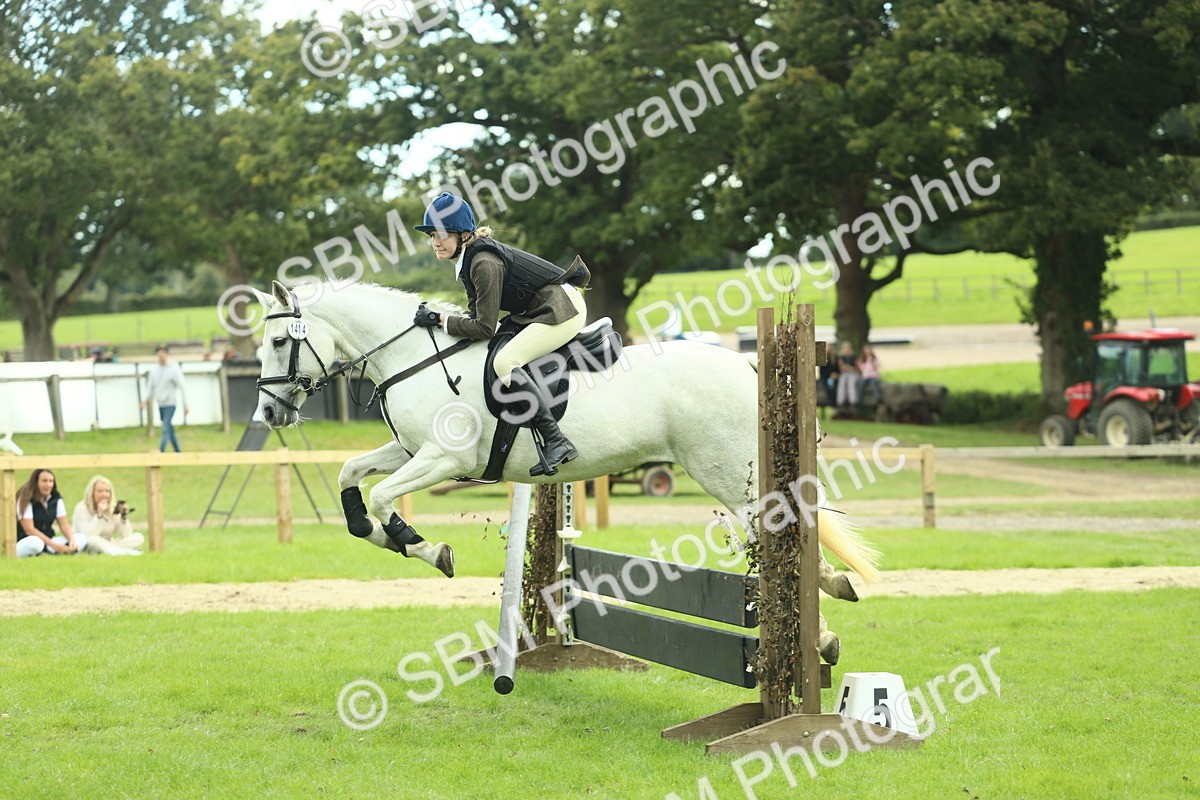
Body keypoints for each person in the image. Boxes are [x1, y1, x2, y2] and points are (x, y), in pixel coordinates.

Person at [412, 192, 591, 477]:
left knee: (505, 362)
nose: (435, 242)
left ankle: (556, 439)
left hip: (561, 310)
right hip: (539, 309)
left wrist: (439, 319)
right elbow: (477, 318)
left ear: (463, 235)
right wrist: (443, 321)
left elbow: (484, 327)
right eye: (432, 235)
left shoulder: (483, 263)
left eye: (442, 235)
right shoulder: (470, 261)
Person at [15, 468, 88, 558]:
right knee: (36, 543)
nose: (48, 484)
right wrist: (55, 546)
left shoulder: (55, 499)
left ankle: (52, 553)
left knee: (81, 538)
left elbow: (64, 525)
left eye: (51, 481)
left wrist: (71, 539)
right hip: (26, 540)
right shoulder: (25, 498)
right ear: (36, 482)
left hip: (49, 541)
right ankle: (48, 552)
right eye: (44, 481)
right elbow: (29, 529)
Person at [71, 475, 144, 556]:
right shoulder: (82, 508)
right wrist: (100, 514)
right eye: (100, 491)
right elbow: (87, 534)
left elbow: (126, 535)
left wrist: (123, 516)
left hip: (108, 543)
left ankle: (115, 551)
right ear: (92, 493)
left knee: (139, 537)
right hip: (89, 543)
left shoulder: (112, 507)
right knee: (92, 540)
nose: (104, 494)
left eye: (107, 491)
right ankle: (122, 552)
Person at [141, 345, 189, 452]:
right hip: (160, 403)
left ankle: (161, 451)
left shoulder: (174, 369)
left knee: (165, 427)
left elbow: (182, 386)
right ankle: (178, 451)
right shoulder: (154, 370)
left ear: (167, 354)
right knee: (169, 428)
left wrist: (186, 405)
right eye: (159, 354)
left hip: (170, 403)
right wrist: (144, 400)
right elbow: (150, 387)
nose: (161, 356)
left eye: (163, 353)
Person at [835, 341, 861, 413]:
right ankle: (840, 402)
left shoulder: (854, 357)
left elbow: (857, 368)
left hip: (853, 373)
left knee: (851, 383)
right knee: (842, 382)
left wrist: (850, 368)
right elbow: (841, 368)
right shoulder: (841, 357)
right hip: (845, 374)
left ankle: (853, 402)